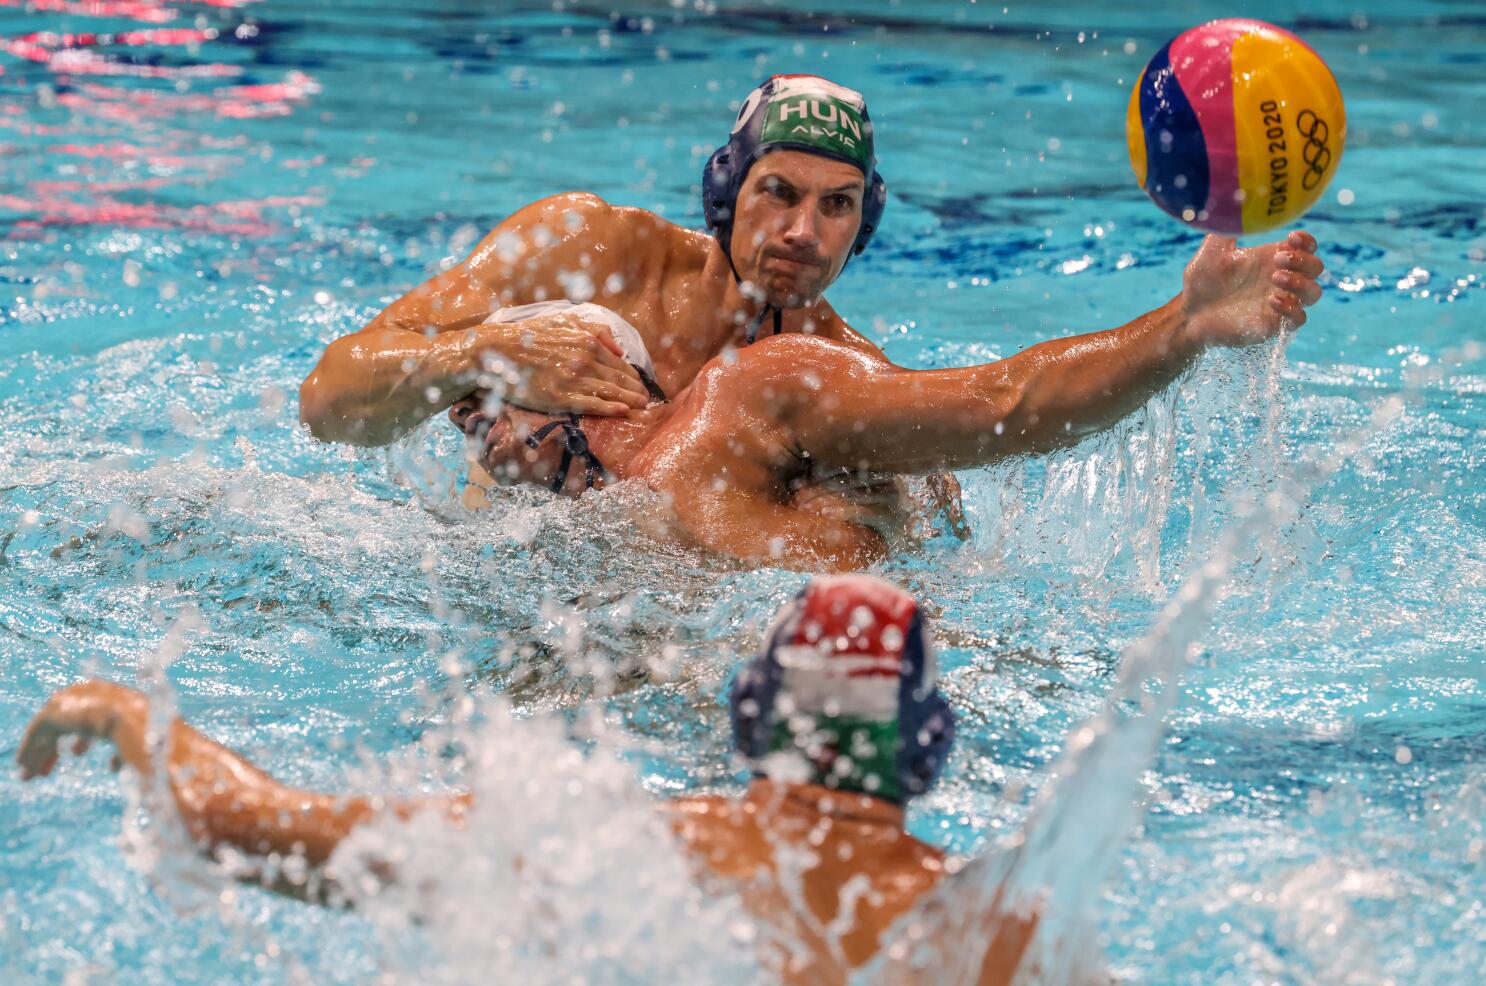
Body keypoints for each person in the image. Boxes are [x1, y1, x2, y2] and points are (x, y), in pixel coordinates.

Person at [296, 74, 1323, 541]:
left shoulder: (828, 376)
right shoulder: (584, 253)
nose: (803, 232)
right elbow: (331, 399)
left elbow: (1004, 406)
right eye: (779, 193)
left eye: (837, 207)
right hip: (477, 568)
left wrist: (1181, 329)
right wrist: (487, 350)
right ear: (724, 194)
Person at [19, 576, 1036, 985]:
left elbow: (236, 824)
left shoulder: (604, 843)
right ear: (928, 742)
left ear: (750, 713)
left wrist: (129, 710)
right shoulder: (1004, 932)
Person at [452, 214, 1323, 571]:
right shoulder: (564, 535)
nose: (482, 440)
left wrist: (1182, 327)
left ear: (599, 370)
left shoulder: (750, 395)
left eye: (494, 402)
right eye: (465, 419)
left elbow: (1003, 402)